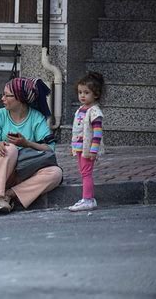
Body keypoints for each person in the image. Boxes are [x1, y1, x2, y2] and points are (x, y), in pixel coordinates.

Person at [0, 77, 63, 217]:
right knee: (10, 148)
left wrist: (27, 144)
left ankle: (8, 195)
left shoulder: (37, 118)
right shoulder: (0, 115)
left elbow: (50, 149)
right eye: (3, 94)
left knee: (56, 173)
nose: (2, 98)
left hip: (26, 169)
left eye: (7, 95)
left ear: (20, 98)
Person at [69, 72, 105, 212]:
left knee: (86, 173)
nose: (82, 96)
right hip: (80, 148)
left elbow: (97, 133)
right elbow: (78, 131)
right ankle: (87, 198)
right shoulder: (81, 109)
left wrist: (93, 150)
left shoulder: (94, 111)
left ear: (95, 94)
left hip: (88, 149)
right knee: (84, 172)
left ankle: (88, 199)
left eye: (86, 92)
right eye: (80, 92)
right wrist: (73, 146)